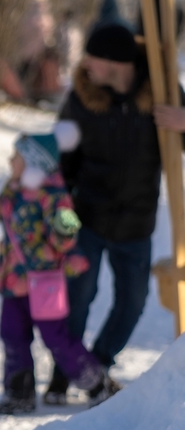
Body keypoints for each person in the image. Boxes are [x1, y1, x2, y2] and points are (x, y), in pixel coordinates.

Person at [45, 21, 169, 404]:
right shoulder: (82, 97)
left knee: (132, 303)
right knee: (78, 297)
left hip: (137, 222)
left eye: (92, 58)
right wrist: (58, 209)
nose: (85, 66)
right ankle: (63, 375)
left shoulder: (161, 89)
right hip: (88, 218)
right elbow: (63, 159)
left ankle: (95, 367)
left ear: (116, 63)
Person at [0, 126, 118, 414]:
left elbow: (63, 241)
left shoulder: (52, 195)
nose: (10, 161)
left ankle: (97, 384)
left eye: (16, 156)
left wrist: (65, 228)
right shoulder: (12, 190)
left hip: (44, 282)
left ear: (33, 163)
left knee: (56, 338)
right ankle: (19, 393)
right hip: (13, 282)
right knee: (12, 335)